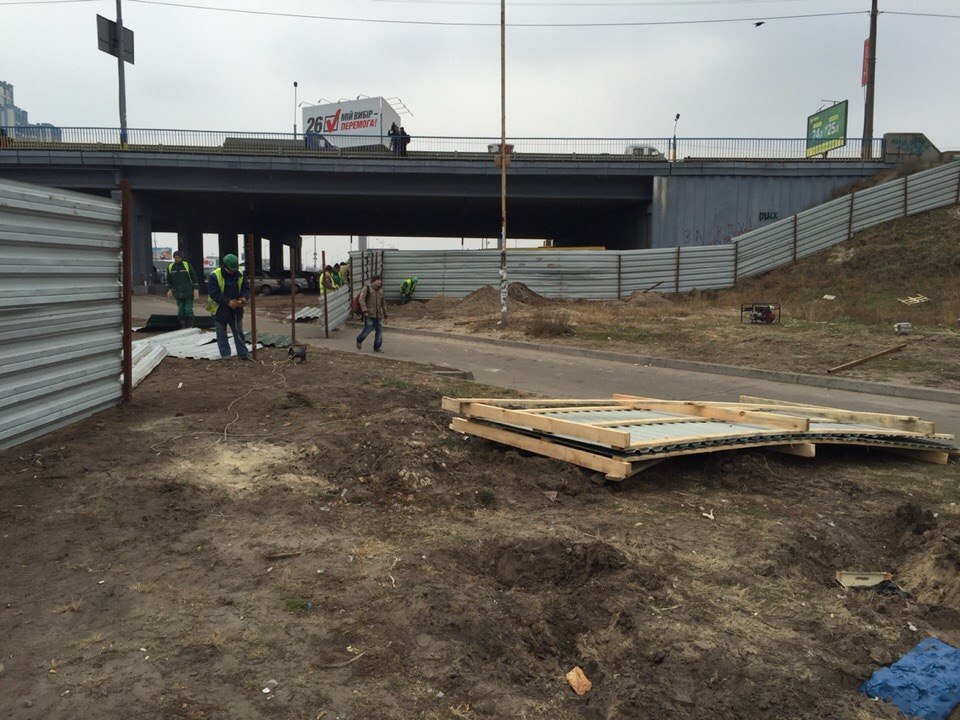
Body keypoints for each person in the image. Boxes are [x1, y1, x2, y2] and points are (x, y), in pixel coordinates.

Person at [207, 253, 250, 360]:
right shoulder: (214, 276)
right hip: (218, 308)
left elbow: (245, 288)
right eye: (231, 269)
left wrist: (244, 298)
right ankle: (225, 355)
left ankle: (243, 354)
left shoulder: (239, 273)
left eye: (234, 269)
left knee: (238, 332)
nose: (233, 271)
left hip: (236, 309)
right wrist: (228, 302)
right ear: (224, 266)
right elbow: (214, 294)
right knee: (221, 334)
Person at [166, 250, 199, 328]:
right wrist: (169, 289)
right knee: (181, 310)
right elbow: (168, 280)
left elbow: (194, 278)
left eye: (178, 257)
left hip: (188, 292)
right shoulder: (170, 267)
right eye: (175, 257)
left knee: (188, 310)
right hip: (177, 293)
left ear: (181, 258)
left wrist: (196, 289)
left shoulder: (187, 265)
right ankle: (183, 325)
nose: (177, 259)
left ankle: (190, 326)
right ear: (174, 258)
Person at [356, 274, 387, 353]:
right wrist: (365, 310)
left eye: (380, 280)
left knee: (379, 330)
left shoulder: (380, 291)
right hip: (369, 313)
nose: (379, 281)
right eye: (377, 280)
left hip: (378, 314)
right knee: (369, 328)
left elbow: (383, 303)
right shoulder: (367, 288)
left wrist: (385, 312)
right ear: (373, 281)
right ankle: (359, 340)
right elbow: (361, 300)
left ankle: (377, 347)